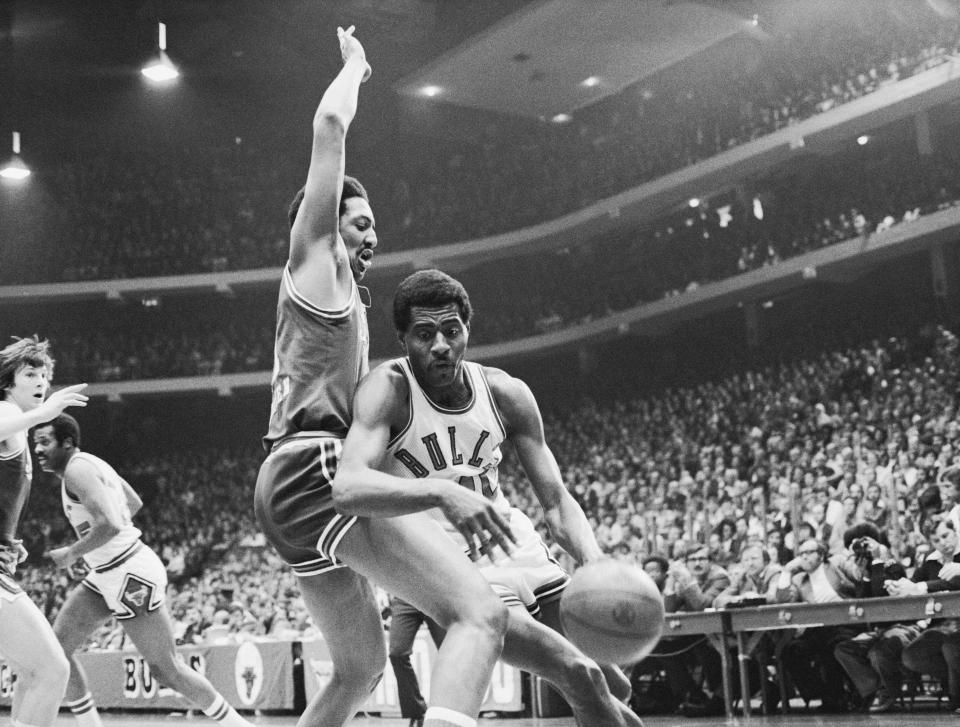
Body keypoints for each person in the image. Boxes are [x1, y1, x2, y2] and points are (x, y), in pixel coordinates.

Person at [251, 27, 512, 727]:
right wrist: (357, 68)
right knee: (474, 611)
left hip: (294, 478)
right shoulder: (314, 262)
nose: (373, 235)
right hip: (312, 471)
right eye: (361, 222)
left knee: (361, 668)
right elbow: (330, 123)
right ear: (329, 219)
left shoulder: (347, 308)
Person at [332, 269, 642, 727]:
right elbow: (348, 488)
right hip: (452, 568)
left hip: (517, 547)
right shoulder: (388, 390)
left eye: (451, 331)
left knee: (615, 687)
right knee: (582, 675)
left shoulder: (505, 392)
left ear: (466, 331)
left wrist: (593, 558)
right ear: (403, 340)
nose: (440, 345)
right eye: (424, 334)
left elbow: (555, 501)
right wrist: (441, 491)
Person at [33, 414, 256, 727]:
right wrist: (94, 552)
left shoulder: (75, 471)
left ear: (67, 442)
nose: (38, 450)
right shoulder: (92, 463)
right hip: (110, 570)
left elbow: (110, 524)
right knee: (57, 652)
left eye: (44, 442)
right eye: (35, 443)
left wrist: (72, 553)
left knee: (167, 669)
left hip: (128, 573)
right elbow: (133, 503)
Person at [0, 335, 85, 727]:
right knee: (52, 670)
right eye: (30, 374)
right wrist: (45, 411)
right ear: (8, 382)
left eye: (44, 375)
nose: (41, 382)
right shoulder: (5, 413)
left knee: (36, 672)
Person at [386, 594, 444, 727]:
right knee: (397, 653)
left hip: (436, 593)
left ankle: (451, 710)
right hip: (405, 595)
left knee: (451, 655)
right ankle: (418, 711)